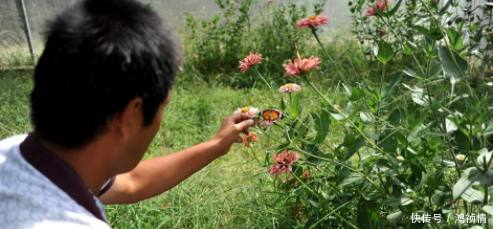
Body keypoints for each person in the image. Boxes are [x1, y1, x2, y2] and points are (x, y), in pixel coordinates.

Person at [0, 0, 254, 228]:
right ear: (130, 115)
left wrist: (217, 145)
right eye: (164, 105)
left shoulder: (14, 154)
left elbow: (131, 181)